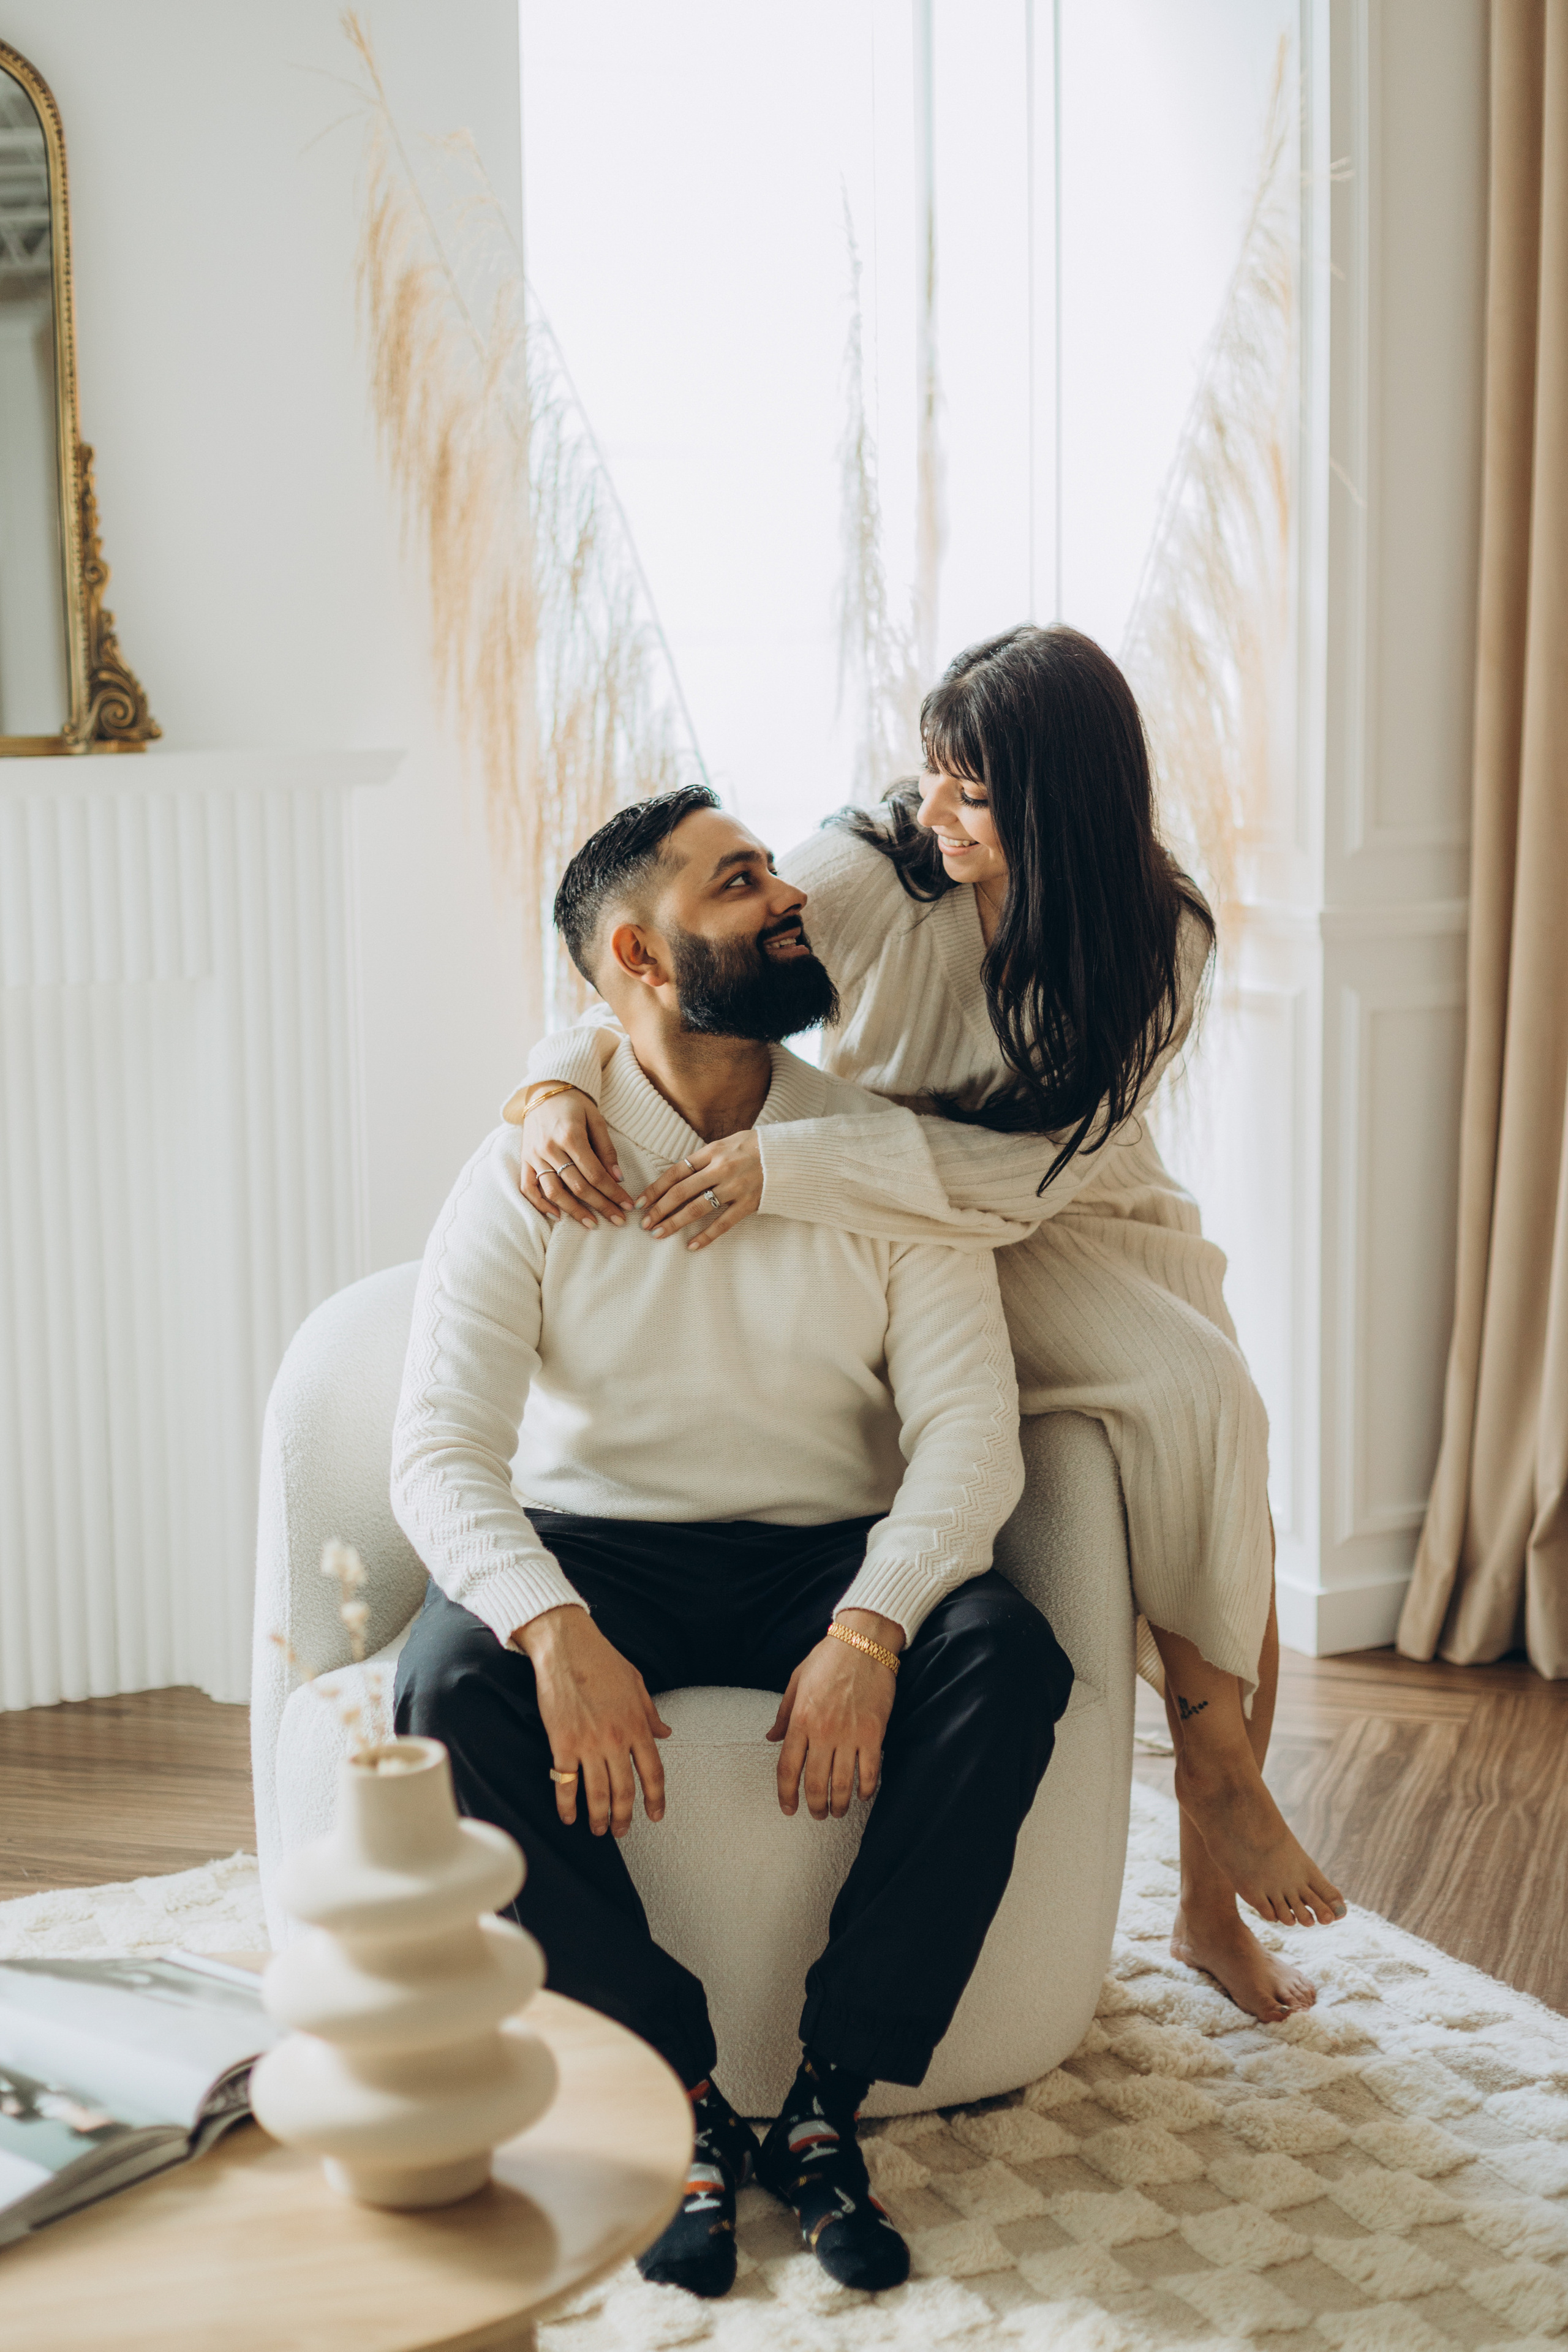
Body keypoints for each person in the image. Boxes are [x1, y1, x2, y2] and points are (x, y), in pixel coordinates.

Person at [510, 624, 1349, 2030]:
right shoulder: (867, 871)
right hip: (907, 1212)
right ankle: (1215, 1764)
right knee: (1198, 1394)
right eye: (930, 777)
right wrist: (548, 1090)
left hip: (1077, 1203)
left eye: (972, 792)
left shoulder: (1164, 931)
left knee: (1222, 1441)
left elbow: (1043, 1171)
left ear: (1062, 797)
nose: (933, 814)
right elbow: (648, 976)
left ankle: (1207, 1885)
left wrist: (804, 1168)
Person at [390, 785, 1071, 2301]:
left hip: (821, 1554)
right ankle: (676, 2095)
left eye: (776, 870)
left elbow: (971, 1440)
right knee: (444, 1697)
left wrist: (871, 1626)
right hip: (599, 1548)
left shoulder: (877, 1154)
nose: (790, 900)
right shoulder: (532, 1165)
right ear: (639, 953)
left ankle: (825, 2100)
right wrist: (550, 1629)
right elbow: (434, 1450)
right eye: (739, 882)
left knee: (1007, 1655)